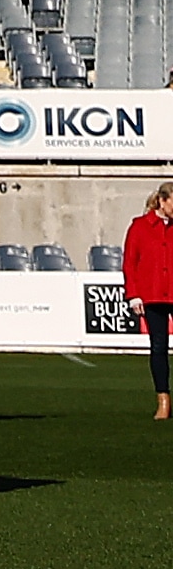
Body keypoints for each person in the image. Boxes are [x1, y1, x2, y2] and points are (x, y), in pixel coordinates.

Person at [129, 181, 173, 424]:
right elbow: (130, 262)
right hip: (153, 294)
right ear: (162, 201)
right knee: (158, 347)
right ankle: (163, 399)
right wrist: (133, 294)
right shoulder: (140, 226)